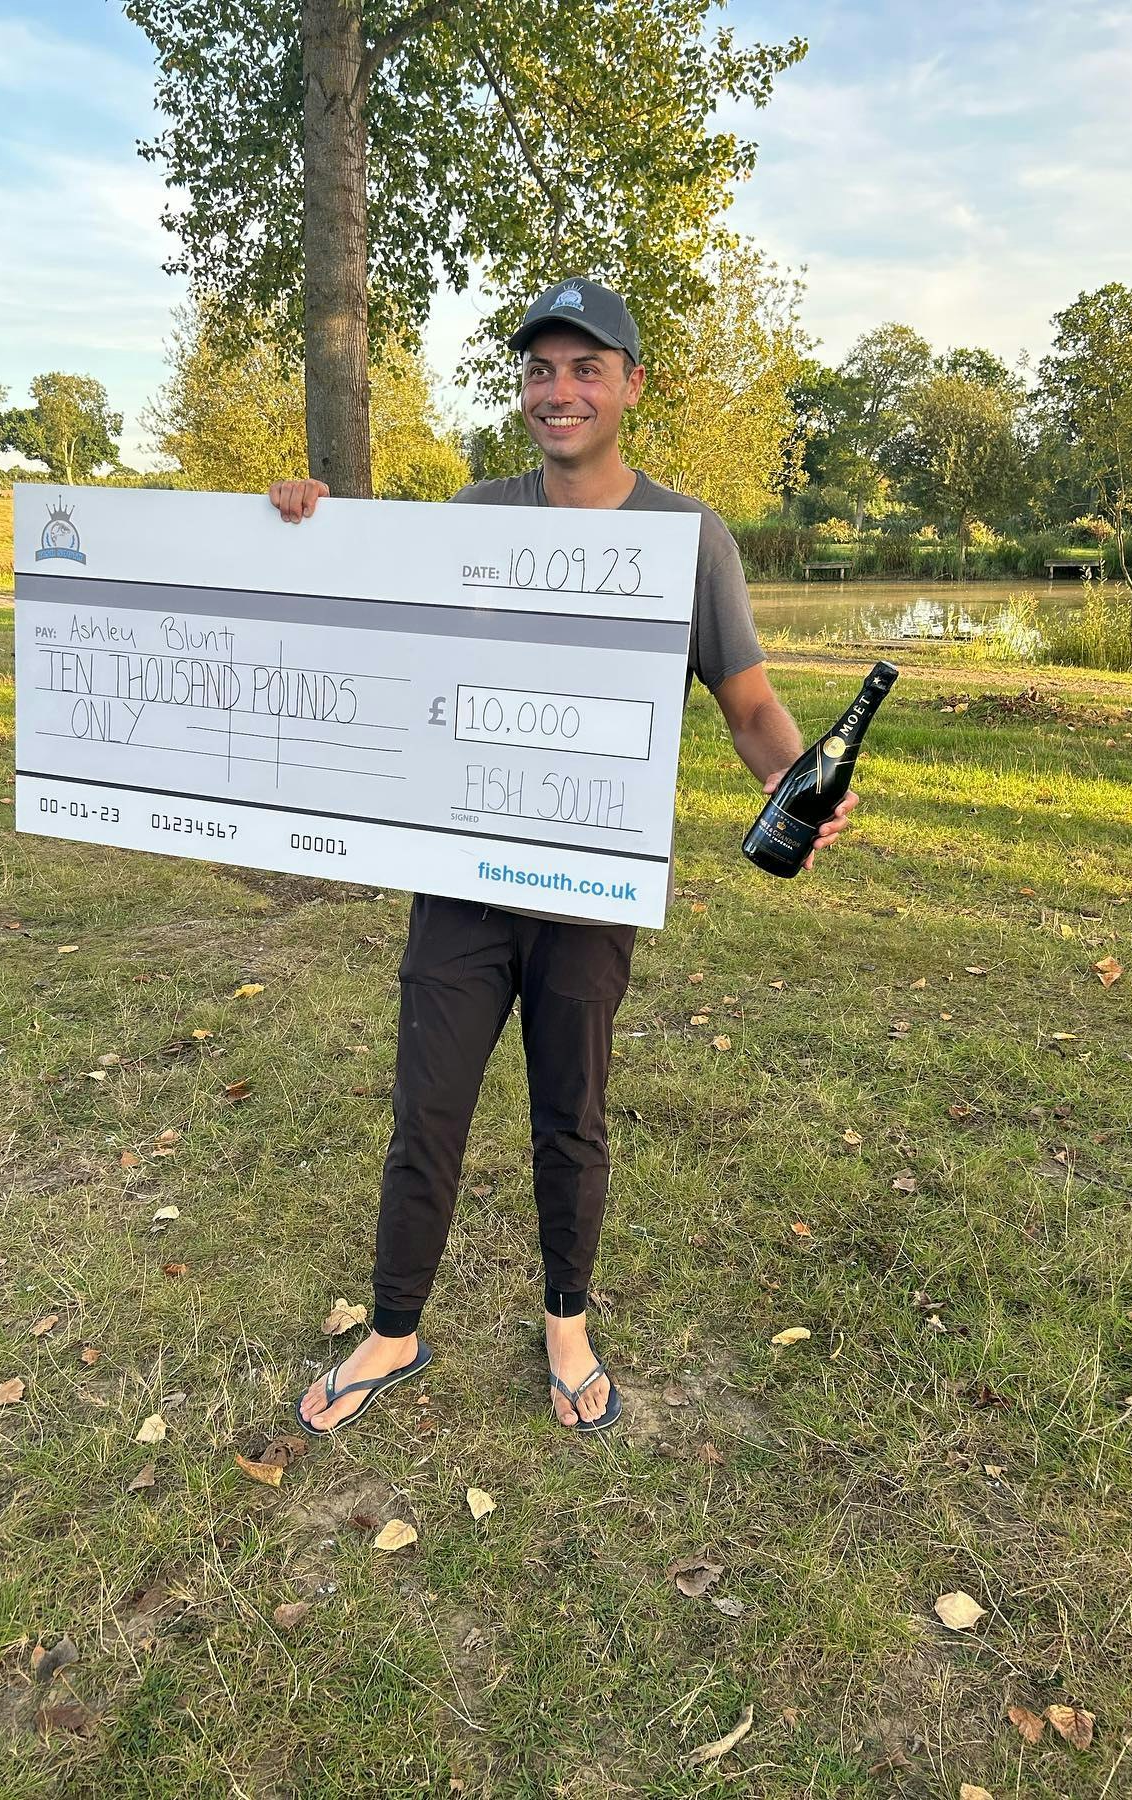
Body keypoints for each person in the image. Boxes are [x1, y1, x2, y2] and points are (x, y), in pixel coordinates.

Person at [271, 277, 857, 1436]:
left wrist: (801, 784)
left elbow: (747, 708)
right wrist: (310, 519)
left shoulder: (689, 538)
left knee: (572, 1113)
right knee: (425, 1106)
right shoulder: (471, 511)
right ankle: (393, 1330)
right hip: (463, 878)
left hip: (589, 885)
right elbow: (366, 625)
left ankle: (567, 1327)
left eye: (586, 367)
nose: (560, 390)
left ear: (632, 385)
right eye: (541, 369)